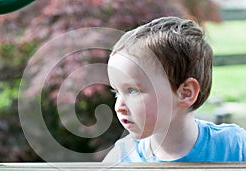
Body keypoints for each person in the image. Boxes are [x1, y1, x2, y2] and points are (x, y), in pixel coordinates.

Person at [103, 16, 246, 162]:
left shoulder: (233, 145)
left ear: (185, 93)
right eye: (116, 93)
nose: (118, 107)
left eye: (132, 90)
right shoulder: (122, 157)